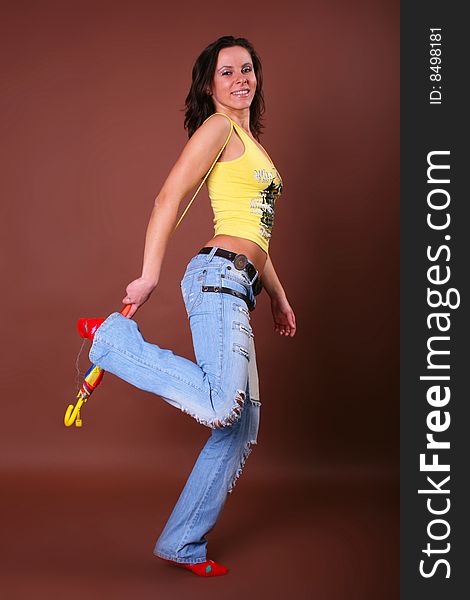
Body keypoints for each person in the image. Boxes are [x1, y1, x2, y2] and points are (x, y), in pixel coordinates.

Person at [77, 35, 296, 577]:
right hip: (217, 278)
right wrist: (149, 275)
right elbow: (168, 198)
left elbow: (255, 235)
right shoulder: (218, 129)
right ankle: (111, 343)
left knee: (241, 426)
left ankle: (182, 541)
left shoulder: (252, 142)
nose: (241, 78)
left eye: (248, 69)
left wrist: (279, 297)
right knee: (225, 406)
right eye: (227, 72)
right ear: (208, 84)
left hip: (240, 282)